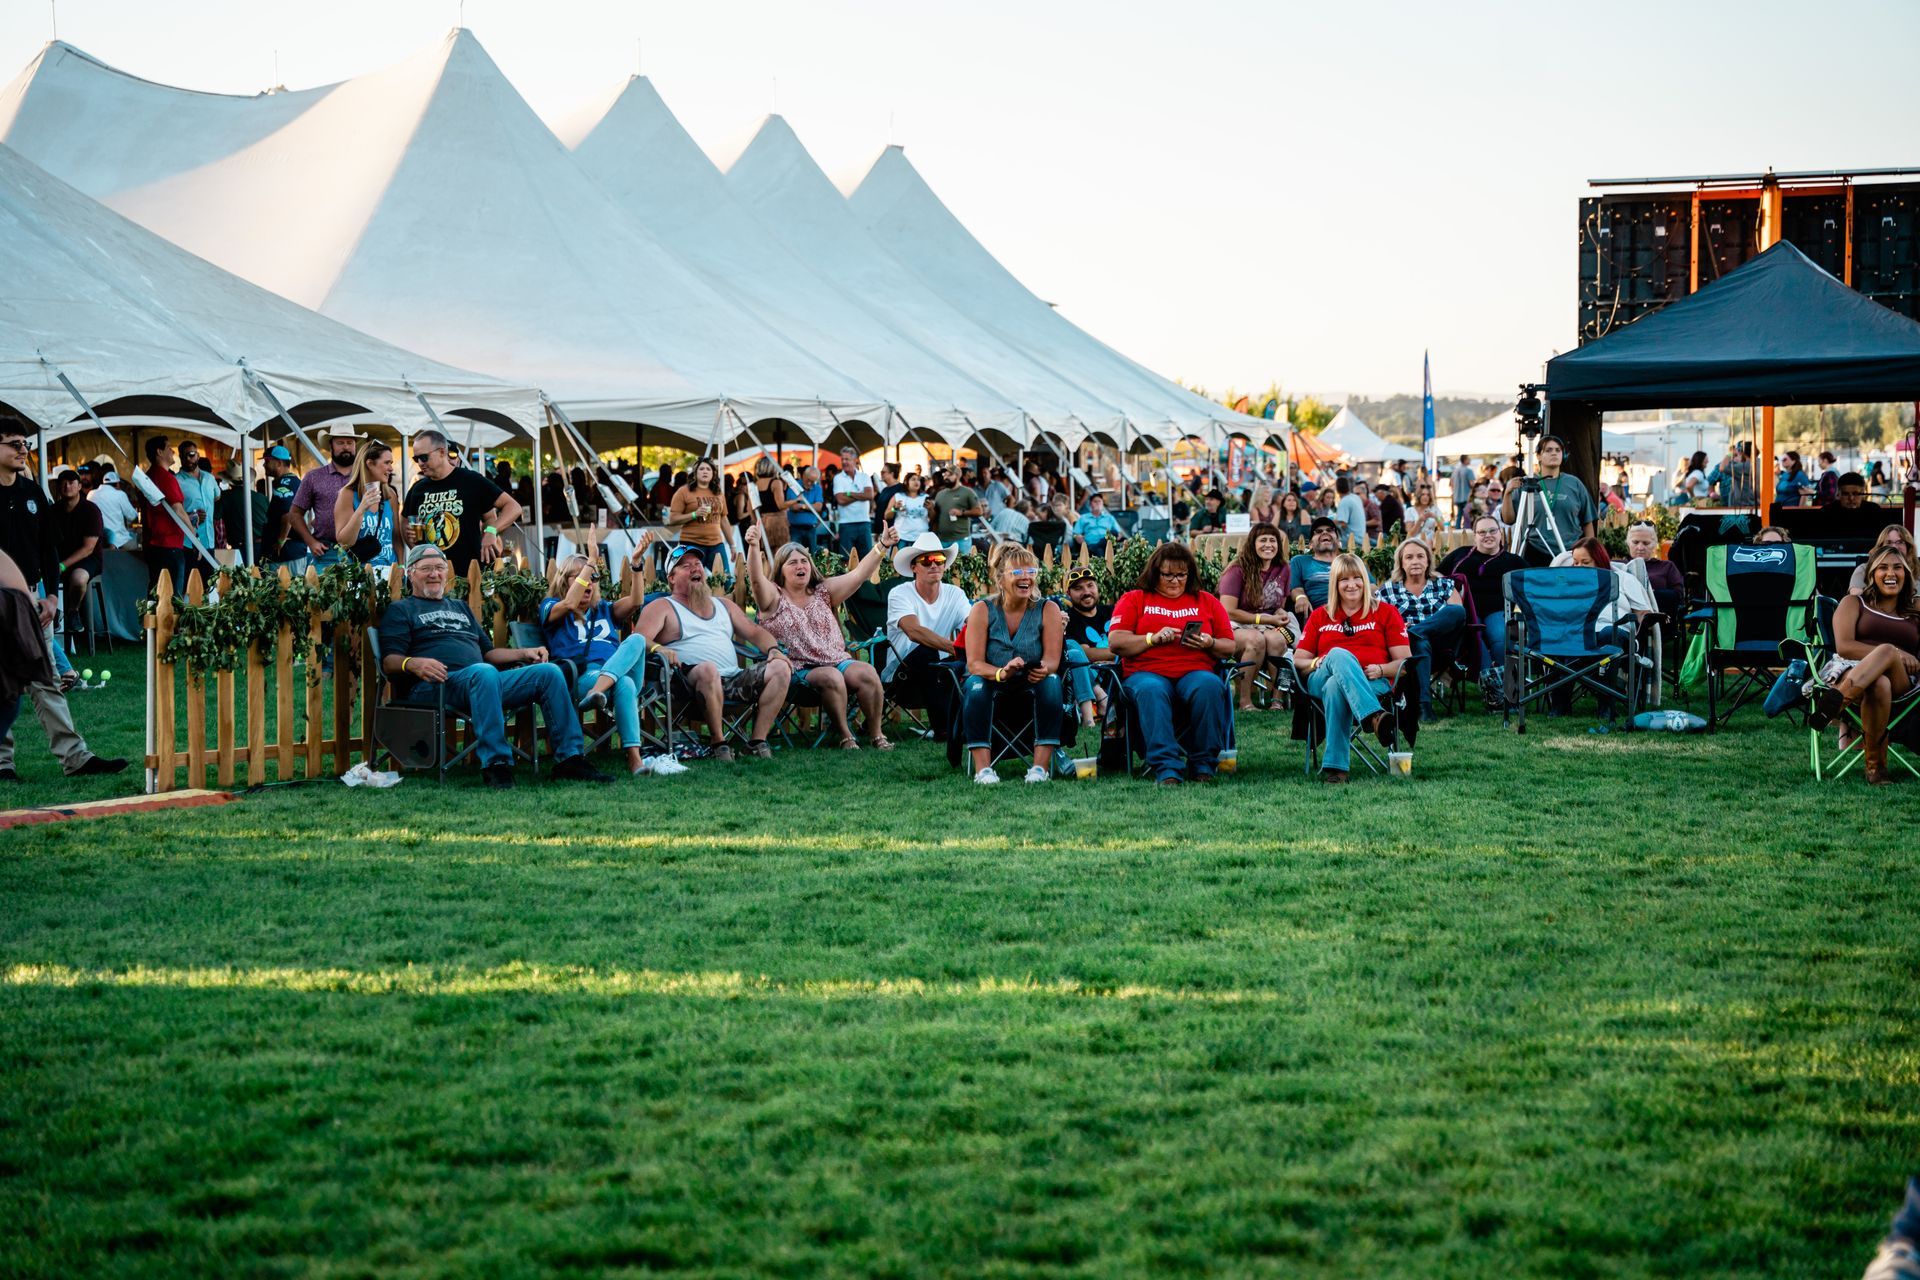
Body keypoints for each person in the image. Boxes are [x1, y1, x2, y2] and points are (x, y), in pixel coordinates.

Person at [379, 545, 610, 788]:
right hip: (435, 684)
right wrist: (412, 663)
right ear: (411, 573)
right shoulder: (401, 610)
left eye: (439, 568)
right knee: (484, 672)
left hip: (481, 681)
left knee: (549, 672)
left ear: (446, 573)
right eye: (426, 569)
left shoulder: (460, 608)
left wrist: (524, 652)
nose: (434, 574)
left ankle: (570, 760)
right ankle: (496, 764)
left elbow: (488, 654)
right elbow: (389, 661)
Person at [745, 521, 898, 751]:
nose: (801, 566)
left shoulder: (823, 592)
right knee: (832, 677)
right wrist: (754, 546)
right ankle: (846, 736)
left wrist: (882, 545)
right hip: (798, 669)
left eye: (804, 561)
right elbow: (756, 580)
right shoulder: (773, 598)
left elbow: (858, 575)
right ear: (781, 569)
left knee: (866, 671)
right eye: (793, 562)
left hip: (837, 660)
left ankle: (876, 734)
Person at [633, 544, 793, 760]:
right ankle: (719, 743)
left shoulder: (723, 605)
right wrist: (658, 648)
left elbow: (755, 632)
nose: (695, 568)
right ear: (671, 578)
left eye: (698, 564)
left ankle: (756, 741)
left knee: (781, 668)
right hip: (686, 686)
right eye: (686, 566)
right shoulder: (663, 606)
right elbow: (639, 639)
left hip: (734, 680)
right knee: (708, 669)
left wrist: (774, 650)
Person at [1107, 541, 1235, 785]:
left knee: (1209, 686)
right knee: (1152, 690)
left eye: (1181, 575)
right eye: (1168, 575)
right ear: (1155, 573)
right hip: (1146, 671)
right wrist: (1151, 639)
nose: (1175, 581)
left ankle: (1203, 765)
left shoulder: (1206, 601)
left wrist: (1209, 643)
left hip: (1195, 670)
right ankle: (1167, 767)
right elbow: (1116, 641)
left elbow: (1230, 646)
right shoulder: (1135, 599)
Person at [1291, 553, 1413, 784]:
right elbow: (1298, 661)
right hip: (1320, 677)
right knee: (1338, 654)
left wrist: (1381, 668)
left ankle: (1337, 770)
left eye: (1357, 578)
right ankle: (1374, 716)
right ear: (1335, 584)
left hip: (1371, 681)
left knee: (1336, 686)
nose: (1352, 585)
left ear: (1365, 581)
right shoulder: (1320, 615)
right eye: (1344, 579)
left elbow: (1404, 664)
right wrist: (1319, 662)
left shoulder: (1386, 613)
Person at [539, 543, 656, 776]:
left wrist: (636, 565)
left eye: (593, 577)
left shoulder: (604, 609)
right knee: (625, 684)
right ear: (565, 581)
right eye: (582, 576)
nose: (589, 582)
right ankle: (634, 759)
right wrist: (591, 560)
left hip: (610, 676)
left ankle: (599, 690)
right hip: (582, 676)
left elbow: (635, 601)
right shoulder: (552, 607)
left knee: (637, 641)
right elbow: (569, 603)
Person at [1807, 544, 1919, 785]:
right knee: (1879, 681)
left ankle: (1834, 702)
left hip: (1904, 685)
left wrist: (1896, 657)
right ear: (1872, 575)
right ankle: (1876, 769)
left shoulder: (1915, 610)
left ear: (1907, 574)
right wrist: (1895, 653)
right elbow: (1844, 646)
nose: (1891, 573)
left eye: (1898, 568)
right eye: (1883, 568)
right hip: (1852, 669)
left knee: (1887, 654)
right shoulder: (1853, 603)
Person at [959, 545, 1064, 784]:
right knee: (975, 685)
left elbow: (1052, 660)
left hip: (1030, 682)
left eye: (1031, 571)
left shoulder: (1048, 609)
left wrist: (1043, 669)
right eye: (1017, 572)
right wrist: (1000, 672)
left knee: (1052, 681)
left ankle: (1040, 768)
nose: (1026, 577)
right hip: (991, 681)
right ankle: (983, 770)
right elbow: (974, 664)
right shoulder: (982, 610)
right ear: (1000, 578)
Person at [883, 531, 970, 742]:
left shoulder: (955, 594)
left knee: (959, 659)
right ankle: (943, 730)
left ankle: (978, 723)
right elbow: (914, 632)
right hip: (902, 673)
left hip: (940, 670)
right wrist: (956, 649)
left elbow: (974, 623)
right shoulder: (900, 593)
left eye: (939, 560)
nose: (934, 565)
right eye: (926, 560)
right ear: (913, 567)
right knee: (928, 651)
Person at [402, 429, 522, 575]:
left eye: (424, 457)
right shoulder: (417, 489)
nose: (420, 463)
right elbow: (404, 520)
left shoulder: (471, 480)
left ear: (441, 452)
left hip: (467, 574)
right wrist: (413, 544)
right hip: (430, 576)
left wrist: (491, 531)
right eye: (416, 459)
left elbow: (513, 507)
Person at [1557, 537, 1653, 719]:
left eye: (1585, 563)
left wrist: (1649, 619)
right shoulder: (1569, 584)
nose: (1578, 568)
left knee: (1609, 633)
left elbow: (1642, 612)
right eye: (1575, 563)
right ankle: (1560, 704)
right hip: (1580, 633)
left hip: (1615, 632)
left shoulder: (1624, 579)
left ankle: (1606, 706)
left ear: (1599, 560)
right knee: (1570, 635)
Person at [1438, 516, 1526, 708]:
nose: (1488, 535)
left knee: (1500, 636)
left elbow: (1529, 590)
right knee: (1475, 635)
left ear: (1500, 534)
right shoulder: (1460, 556)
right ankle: (1493, 691)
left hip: (1499, 610)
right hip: (1467, 611)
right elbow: (1437, 574)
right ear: (1475, 536)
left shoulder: (1513, 561)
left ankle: (1508, 691)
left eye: (1492, 531)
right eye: (1482, 532)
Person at [1378, 536, 1466, 723]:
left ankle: (1416, 631)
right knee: (1419, 642)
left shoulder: (1443, 585)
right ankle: (1424, 707)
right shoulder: (1387, 590)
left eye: (1420, 556)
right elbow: (1378, 623)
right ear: (1401, 563)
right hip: (1405, 650)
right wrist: (1399, 629)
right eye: (1409, 557)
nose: (1415, 561)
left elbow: (1458, 615)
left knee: (1456, 611)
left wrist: (1414, 629)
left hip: (1442, 647)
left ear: (1428, 561)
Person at [1217, 523, 1294, 712]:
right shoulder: (1237, 570)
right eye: (1263, 540)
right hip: (1236, 623)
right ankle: (1245, 701)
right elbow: (1227, 610)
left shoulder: (1283, 568)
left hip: (1268, 623)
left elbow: (1278, 604)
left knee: (1276, 640)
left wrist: (1280, 613)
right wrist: (1265, 620)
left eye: (1272, 540)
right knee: (1255, 640)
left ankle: (1277, 700)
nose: (1268, 545)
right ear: (1253, 543)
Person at [1501, 434, 1595, 567]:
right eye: (1548, 450)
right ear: (1538, 456)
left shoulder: (1574, 483)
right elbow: (1508, 519)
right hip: (1535, 550)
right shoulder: (1527, 483)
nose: (1554, 453)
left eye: (1558, 450)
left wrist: (1589, 550)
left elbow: (1587, 521)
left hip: (1570, 552)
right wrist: (1507, 494)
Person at [285, 427, 363, 569]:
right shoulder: (314, 477)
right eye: (340, 443)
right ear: (330, 445)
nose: (346, 447)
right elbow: (294, 514)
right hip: (327, 553)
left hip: (362, 551)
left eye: (350, 442)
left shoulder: (365, 476)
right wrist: (310, 541)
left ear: (355, 445)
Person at [44, 467, 103, 636]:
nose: (66, 486)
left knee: (78, 578)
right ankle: (53, 614)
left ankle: (73, 612)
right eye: (62, 483)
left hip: (88, 559)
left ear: (79, 486)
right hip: (59, 558)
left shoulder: (91, 510)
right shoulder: (52, 511)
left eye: (71, 483)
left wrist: (61, 565)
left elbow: (88, 548)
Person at [134, 437, 195, 593]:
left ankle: (150, 617)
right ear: (159, 452)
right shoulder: (165, 477)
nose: (172, 451)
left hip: (153, 544)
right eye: (169, 448)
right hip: (169, 545)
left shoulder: (148, 477)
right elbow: (177, 509)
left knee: (156, 591)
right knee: (173, 595)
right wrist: (193, 534)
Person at [332, 439, 404, 570]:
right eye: (387, 463)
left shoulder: (390, 495)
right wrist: (361, 509)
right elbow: (344, 542)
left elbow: (396, 538)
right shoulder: (347, 494)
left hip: (390, 572)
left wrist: (402, 567)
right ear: (370, 464)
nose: (391, 468)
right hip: (359, 574)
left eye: (391, 463)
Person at [1059, 565, 1113, 727]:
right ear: (1069, 594)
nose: (1086, 592)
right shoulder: (1069, 619)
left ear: (1097, 587)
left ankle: (1101, 705)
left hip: (1117, 671)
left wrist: (1110, 653)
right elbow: (1086, 655)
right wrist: (1119, 651)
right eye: (1078, 588)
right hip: (1091, 673)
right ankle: (1101, 700)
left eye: (1090, 585)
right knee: (1075, 654)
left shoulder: (1113, 611)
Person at [661, 457, 730, 570]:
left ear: (713, 473)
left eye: (708, 469)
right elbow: (673, 519)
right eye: (701, 469)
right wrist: (694, 514)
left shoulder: (718, 492)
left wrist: (732, 545)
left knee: (726, 580)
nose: (705, 471)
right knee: (691, 581)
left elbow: (724, 519)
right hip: (691, 544)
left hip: (716, 544)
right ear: (695, 473)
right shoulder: (683, 491)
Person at [1286, 516, 1342, 621]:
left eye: (1330, 530)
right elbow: (1296, 588)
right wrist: (1300, 597)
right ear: (1311, 544)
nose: (1325, 533)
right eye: (1318, 531)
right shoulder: (1300, 561)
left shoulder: (1349, 561)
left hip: (1351, 611)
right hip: (1319, 615)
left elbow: (1371, 587)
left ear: (1338, 542)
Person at [260, 447, 308, 569]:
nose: (264, 465)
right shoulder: (295, 481)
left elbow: (288, 515)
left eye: (267, 461)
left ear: (279, 463)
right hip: (293, 553)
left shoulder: (285, 483)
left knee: (285, 587)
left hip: (286, 556)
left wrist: (280, 541)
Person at [174, 439, 219, 554]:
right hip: (188, 542)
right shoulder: (176, 481)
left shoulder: (209, 478)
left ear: (198, 456)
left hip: (209, 540)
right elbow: (172, 511)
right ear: (180, 458)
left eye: (191, 455)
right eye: (184, 456)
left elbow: (216, 497)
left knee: (210, 572)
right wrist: (190, 515)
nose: (188, 458)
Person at [832, 446, 877, 557]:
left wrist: (849, 493)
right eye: (842, 459)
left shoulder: (864, 476)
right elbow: (840, 500)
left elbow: (869, 495)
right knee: (846, 559)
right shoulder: (838, 478)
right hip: (846, 524)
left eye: (847, 459)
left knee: (866, 558)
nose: (844, 462)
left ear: (855, 460)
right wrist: (861, 495)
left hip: (864, 522)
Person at [1850, 525, 1916, 594]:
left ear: (1908, 547)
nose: (1894, 547)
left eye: (1900, 542)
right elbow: (1857, 598)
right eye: (1889, 542)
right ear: (1880, 547)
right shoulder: (1863, 570)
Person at [89, 468, 137, 549]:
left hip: (97, 539)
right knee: (137, 542)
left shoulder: (91, 494)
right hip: (119, 540)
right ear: (117, 484)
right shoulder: (120, 494)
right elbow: (132, 516)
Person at [753, 455, 791, 549]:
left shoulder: (756, 484)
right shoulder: (775, 482)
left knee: (765, 553)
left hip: (763, 521)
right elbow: (781, 505)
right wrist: (796, 501)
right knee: (781, 552)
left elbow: (751, 508)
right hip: (777, 522)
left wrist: (756, 522)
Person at [786, 464, 824, 551]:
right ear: (803, 476)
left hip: (811, 528)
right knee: (794, 553)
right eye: (808, 480)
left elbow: (819, 507)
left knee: (812, 556)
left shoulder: (817, 488)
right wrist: (811, 507)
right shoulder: (793, 487)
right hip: (795, 529)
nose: (810, 483)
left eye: (813, 481)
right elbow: (793, 507)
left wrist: (802, 506)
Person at [885, 470, 931, 542]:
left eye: (918, 480)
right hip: (901, 537)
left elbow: (933, 517)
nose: (916, 482)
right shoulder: (898, 496)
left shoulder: (925, 497)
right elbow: (887, 516)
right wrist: (895, 508)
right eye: (913, 479)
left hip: (922, 537)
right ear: (906, 482)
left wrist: (931, 509)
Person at [1073, 492, 1120, 557]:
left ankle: (1097, 546)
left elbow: (1119, 533)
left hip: (1108, 544)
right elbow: (1076, 534)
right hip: (1091, 544)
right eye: (1095, 501)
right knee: (1099, 550)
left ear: (1102, 503)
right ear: (1090, 504)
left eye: (1099, 501)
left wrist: (1117, 538)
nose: (1098, 503)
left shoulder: (1109, 518)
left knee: (1113, 532)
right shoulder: (1083, 518)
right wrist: (1082, 542)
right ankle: (1097, 547)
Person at [1331, 476, 1367, 546]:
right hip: (1361, 538)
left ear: (1337, 489)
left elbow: (1343, 523)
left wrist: (1327, 521)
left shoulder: (1345, 501)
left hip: (1352, 541)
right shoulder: (1355, 497)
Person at [1451, 455, 1476, 527]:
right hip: (1466, 497)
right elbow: (1472, 483)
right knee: (1467, 515)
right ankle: (1466, 530)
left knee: (1459, 515)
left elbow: (1451, 483)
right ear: (1465, 460)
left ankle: (1457, 529)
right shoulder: (1468, 470)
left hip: (1457, 497)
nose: (1470, 460)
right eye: (1469, 459)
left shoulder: (1455, 470)